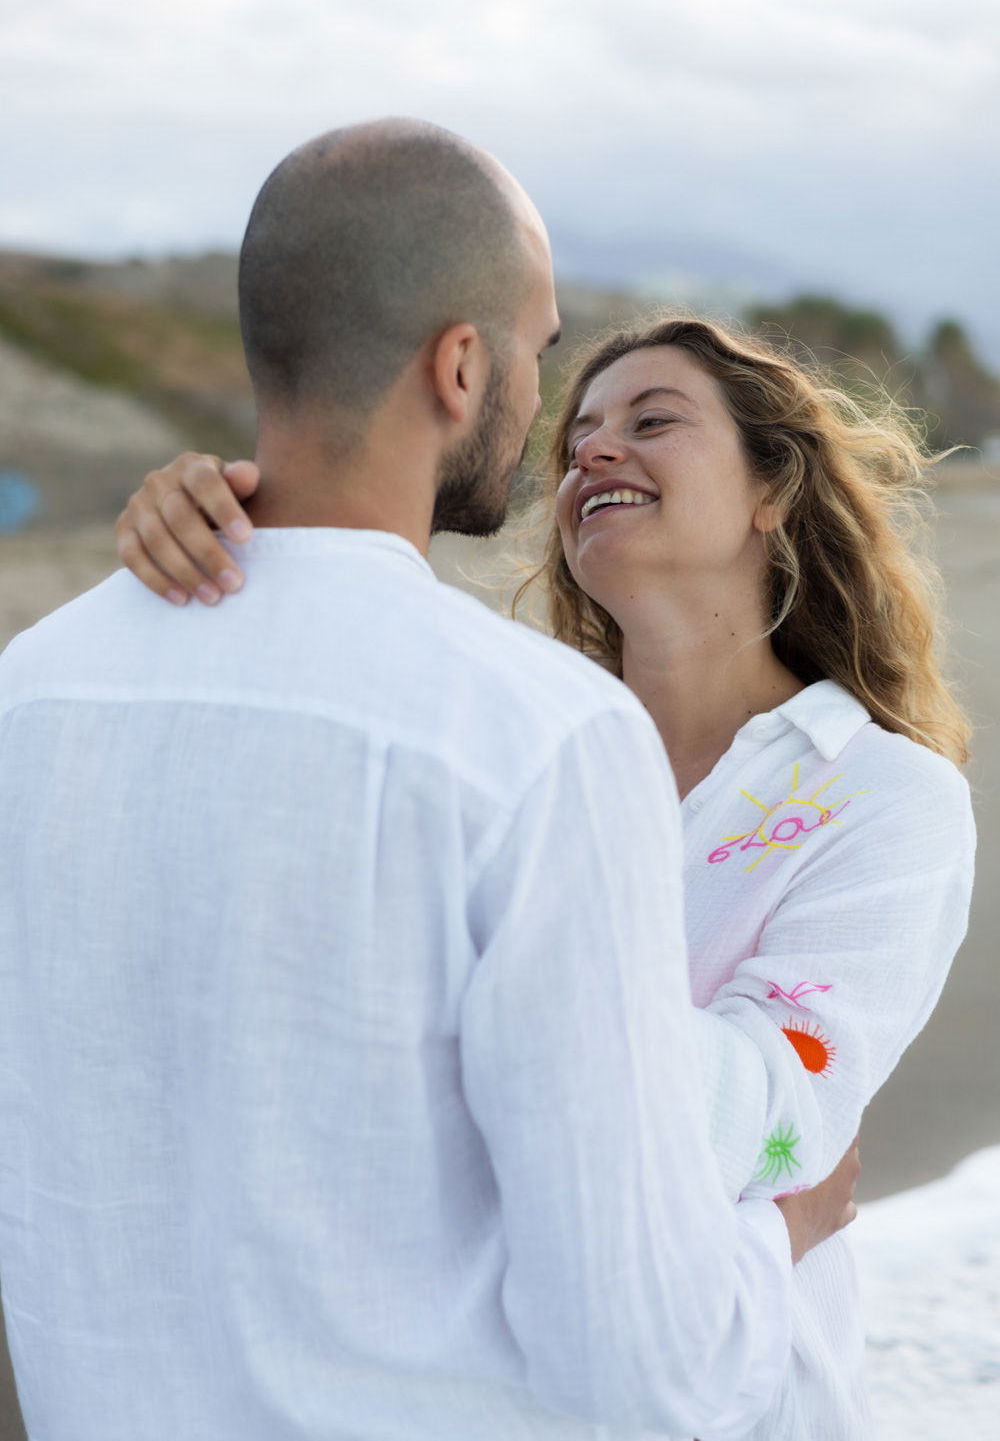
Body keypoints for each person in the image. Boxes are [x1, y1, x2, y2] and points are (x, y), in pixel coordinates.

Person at [0, 121, 858, 1441]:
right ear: (461, 366)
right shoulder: (538, 741)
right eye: (539, 349)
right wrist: (783, 1232)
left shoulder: (32, 693)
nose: (546, 405)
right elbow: (645, 1370)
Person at [121, 311, 976, 1440]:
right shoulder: (498, 742)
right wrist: (220, 522)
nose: (592, 452)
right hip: (464, 1389)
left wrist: (479, 1028)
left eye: (652, 420)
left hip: (739, 1399)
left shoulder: (879, 797)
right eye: (576, 438)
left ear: (773, 488)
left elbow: (780, 1121)